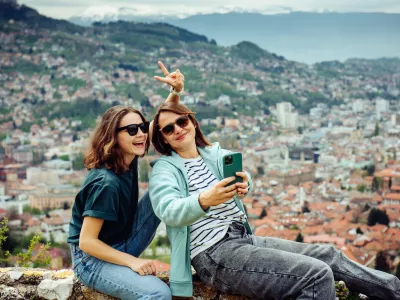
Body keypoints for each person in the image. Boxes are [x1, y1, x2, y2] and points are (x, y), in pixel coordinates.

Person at [148, 101, 400, 300]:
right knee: (315, 275)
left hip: (241, 237)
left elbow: (242, 179)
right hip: (212, 253)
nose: (178, 129)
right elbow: (167, 210)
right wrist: (204, 200)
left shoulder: (214, 154)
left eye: (181, 121)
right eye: (168, 128)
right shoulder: (165, 168)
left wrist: (246, 183)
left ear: (192, 122)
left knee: (329, 255)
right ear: (164, 138)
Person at [67, 62, 184, 300]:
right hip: (91, 260)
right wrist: (133, 262)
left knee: (165, 189)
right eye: (132, 130)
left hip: (122, 240)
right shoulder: (105, 184)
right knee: (157, 293)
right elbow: (87, 242)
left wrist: (175, 93)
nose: (141, 134)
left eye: (141, 127)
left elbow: (155, 125)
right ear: (113, 137)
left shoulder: (128, 154)